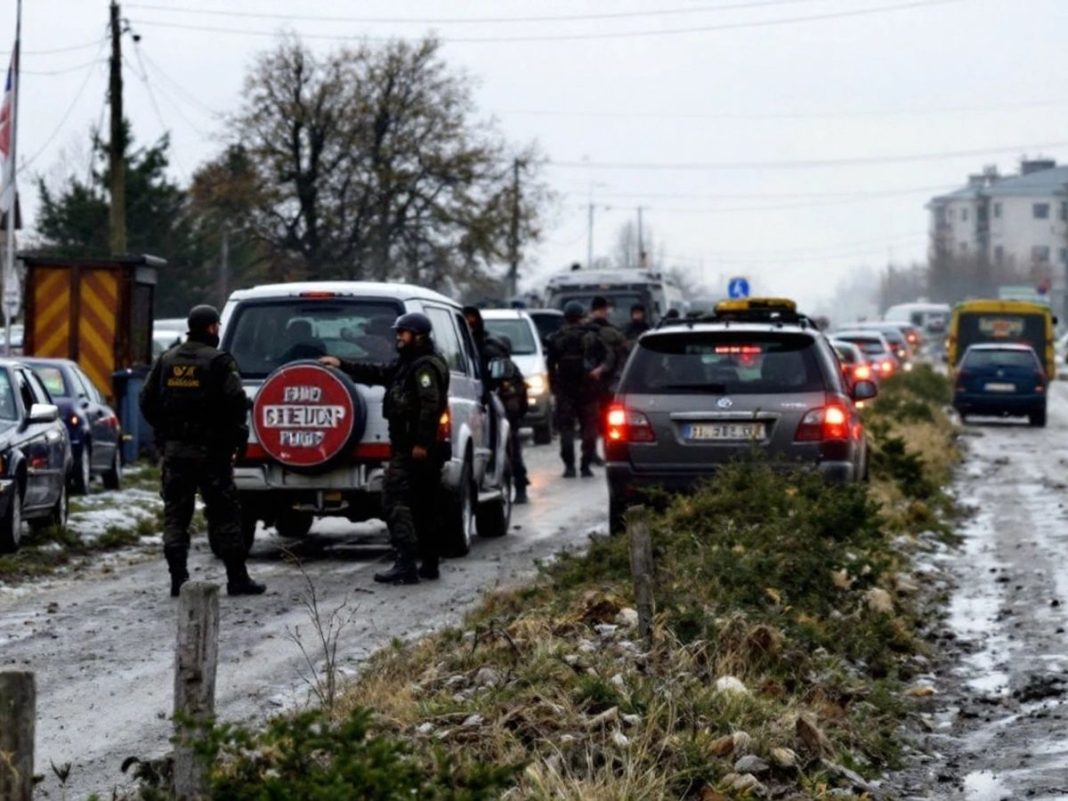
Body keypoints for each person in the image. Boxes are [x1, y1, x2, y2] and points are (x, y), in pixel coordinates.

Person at [140, 304, 266, 598]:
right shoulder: (220, 362)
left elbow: (146, 401)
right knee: (225, 514)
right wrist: (235, 437)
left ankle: (178, 580)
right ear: (211, 328)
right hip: (213, 454)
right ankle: (237, 579)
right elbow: (236, 402)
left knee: (176, 515)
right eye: (217, 327)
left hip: (177, 453)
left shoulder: (166, 360)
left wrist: (165, 435)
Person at [319, 312, 449, 584]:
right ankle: (429, 563)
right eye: (398, 332)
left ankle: (406, 563)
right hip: (410, 447)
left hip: (415, 449)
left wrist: (421, 444)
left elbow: (430, 406)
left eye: (403, 333)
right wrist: (341, 363)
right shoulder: (407, 364)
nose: (398, 337)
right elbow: (377, 371)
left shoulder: (424, 367)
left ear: (419, 335)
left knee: (393, 500)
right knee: (423, 503)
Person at [546, 301, 599, 478]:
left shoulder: (556, 338)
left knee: (566, 430)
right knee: (589, 429)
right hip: (588, 391)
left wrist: (555, 388)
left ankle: (569, 467)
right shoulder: (591, 337)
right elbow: (602, 361)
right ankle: (585, 466)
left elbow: (550, 366)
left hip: (565, 391)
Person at [584, 296, 628, 464]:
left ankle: (590, 453)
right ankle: (606, 451)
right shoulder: (613, 331)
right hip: (608, 383)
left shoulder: (584, 330)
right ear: (604, 310)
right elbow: (621, 357)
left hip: (587, 382)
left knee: (590, 420)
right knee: (606, 419)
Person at [489, 335, 530, 504]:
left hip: (504, 415)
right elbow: (523, 398)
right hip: (504, 416)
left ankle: (519, 487)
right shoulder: (507, 366)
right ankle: (518, 487)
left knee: (511, 453)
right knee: (512, 453)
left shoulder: (504, 367)